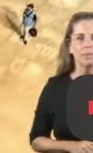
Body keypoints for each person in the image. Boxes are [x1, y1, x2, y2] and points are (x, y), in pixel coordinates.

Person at [29, 12, 93, 150]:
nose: (88, 45)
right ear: (69, 45)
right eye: (80, 38)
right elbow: (36, 138)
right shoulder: (55, 88)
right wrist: (72, 146)